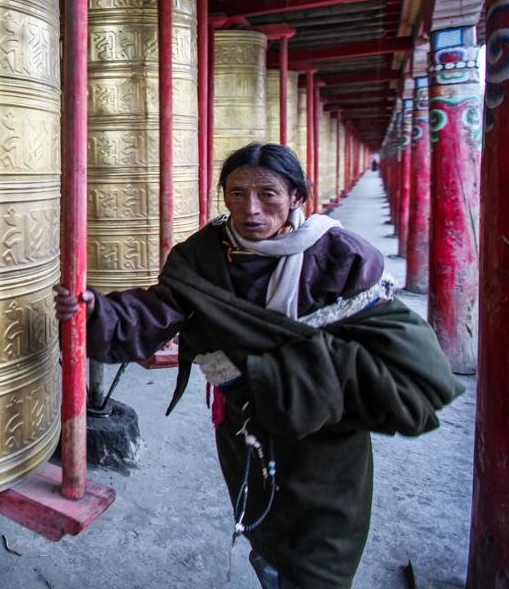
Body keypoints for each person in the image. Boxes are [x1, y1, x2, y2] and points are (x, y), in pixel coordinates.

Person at [54, 143, 463, 589]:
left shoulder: (340, 255)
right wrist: (96, 311)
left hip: (324, 427)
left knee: (320, 550)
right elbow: (158, 311)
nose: (251, 210)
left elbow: (396, 349)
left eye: (268, 195)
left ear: (296, 198)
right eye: (236, 194)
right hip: (244, 418)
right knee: (261, 522)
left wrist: (300, 372)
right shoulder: (205, 254)